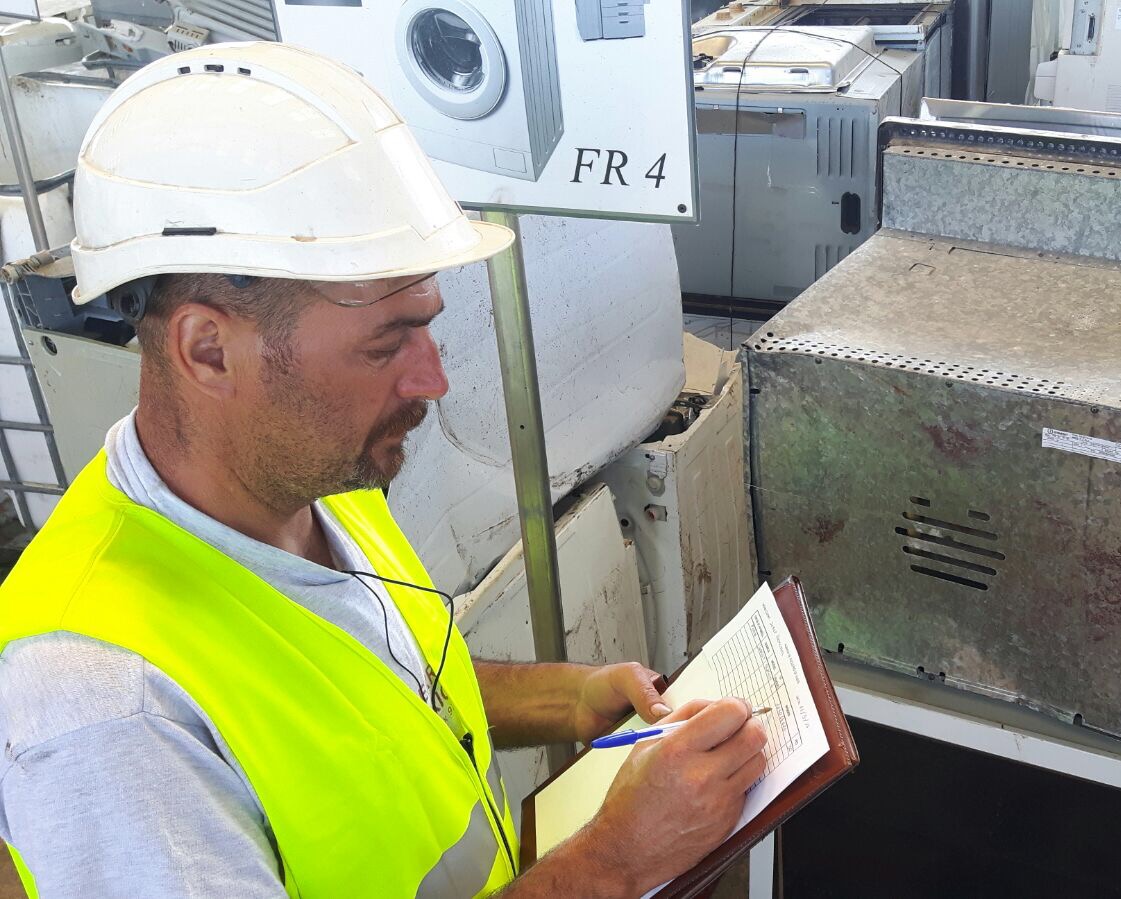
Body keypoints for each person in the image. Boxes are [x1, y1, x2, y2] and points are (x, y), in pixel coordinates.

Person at [0, 42, 766, 898]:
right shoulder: (109, 710)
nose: (432, 379)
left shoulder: (313, 477)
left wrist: (568, 698)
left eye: (425, 323)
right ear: (209, 349)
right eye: (385, 343)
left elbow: (370, 695)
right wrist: (614, 862)